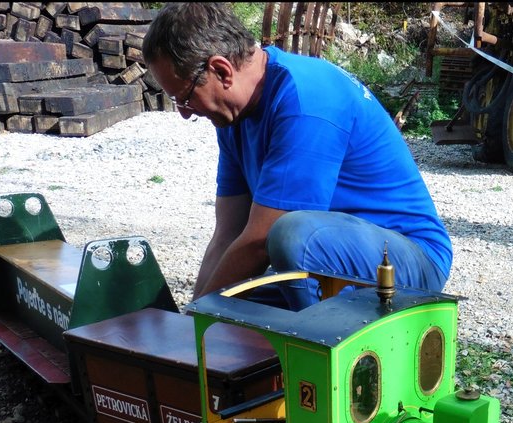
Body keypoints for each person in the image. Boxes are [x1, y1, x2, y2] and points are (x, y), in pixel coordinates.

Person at [143, 3, 453, 309]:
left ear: (222, 70)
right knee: (239, 305)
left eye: (183, 98)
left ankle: (319, 351)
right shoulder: (231, 118)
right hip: (332, 259)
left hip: (408, 260)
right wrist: (195, 316)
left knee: (290, 234)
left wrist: (196, 322)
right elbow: (228, 233)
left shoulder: (306, 99)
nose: (184, 114)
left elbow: (259, 240)